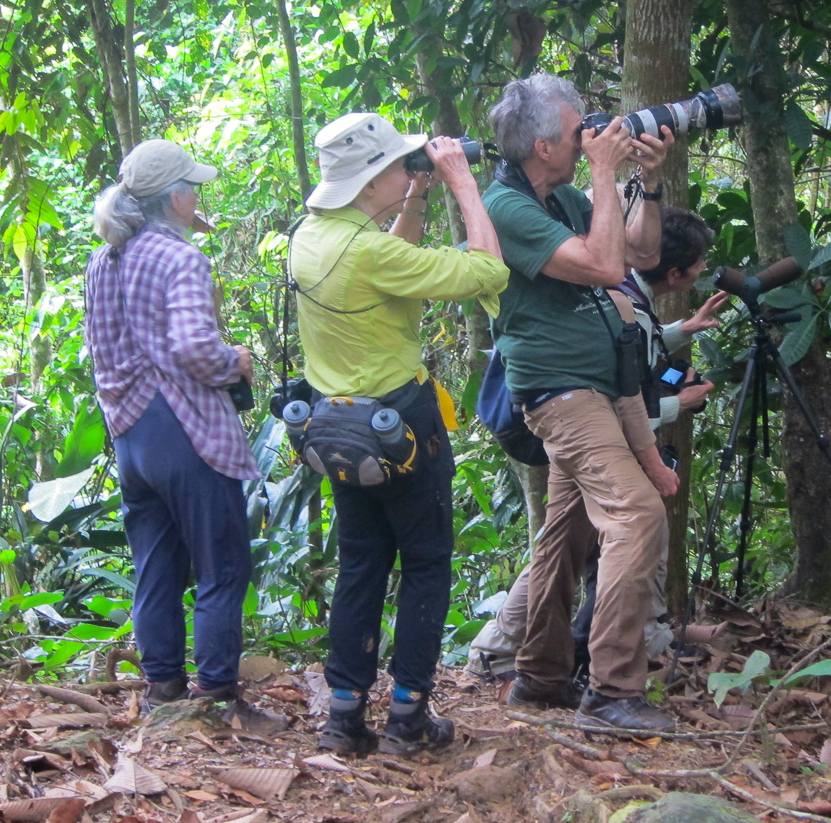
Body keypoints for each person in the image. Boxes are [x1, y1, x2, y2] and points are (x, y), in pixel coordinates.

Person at [289, 113, 507, 756]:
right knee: (426, 565)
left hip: (338, 429)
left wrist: (412, 195)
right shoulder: (369, 252)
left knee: (360, 565)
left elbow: (394, 258)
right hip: (402, 425)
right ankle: (409, 716)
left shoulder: (311, 236)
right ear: (368, 179)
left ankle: (344, 714)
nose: (407, 167)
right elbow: (488, 274)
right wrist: (464, 185)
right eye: (398, 163)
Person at [483, 73, 681, 732]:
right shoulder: (506, 210)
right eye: (576, 134)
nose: (588, 138)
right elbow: (601, 268)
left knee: (566, 535)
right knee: (637, 513)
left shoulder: (561, 196)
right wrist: (604, 172)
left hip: (598, 386)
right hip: (561, 393)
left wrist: (645, 185)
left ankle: (539, 676)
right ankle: (612, 692)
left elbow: (640, 254)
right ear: (543, 146)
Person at [468, 208, 726, 680]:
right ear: (672, 272)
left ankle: (511, 654)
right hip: (582, 424)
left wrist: (681, 331)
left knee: (565, 540)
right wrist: (679, 404)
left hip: (572, 422)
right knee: (637, 518)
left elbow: (636, 354)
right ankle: (612, 671)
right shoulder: (612, 297)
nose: (704, 271)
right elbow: (622, 394)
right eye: (698, 264)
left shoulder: (624, 297)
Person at [84, 139, 275, 728]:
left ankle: (164, 689)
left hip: (131, 434)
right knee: (222, 565)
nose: (199, 196)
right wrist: (235, 363)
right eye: (194, 187)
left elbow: (101, 349)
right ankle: (216, 700)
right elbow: (195, 349)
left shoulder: (103, 259)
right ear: (176, 197)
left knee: (156, 563)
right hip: (183, 427)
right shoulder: (178, 258)